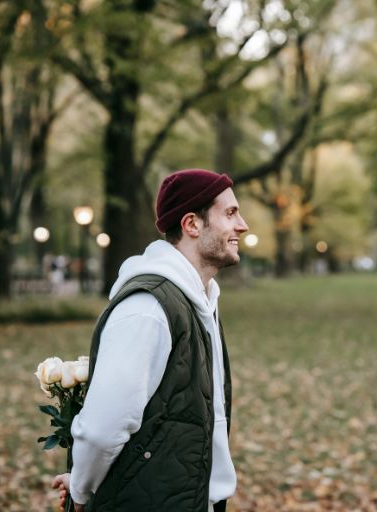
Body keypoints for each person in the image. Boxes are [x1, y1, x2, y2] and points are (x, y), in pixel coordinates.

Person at [52, 168, 249, 512]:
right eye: (230, 213)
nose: (242, 225)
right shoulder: (147, 308)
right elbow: (102, 427)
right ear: (192, 225)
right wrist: (81, 489)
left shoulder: (199, 300)